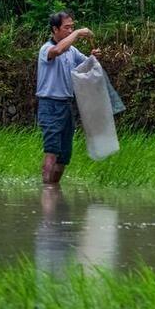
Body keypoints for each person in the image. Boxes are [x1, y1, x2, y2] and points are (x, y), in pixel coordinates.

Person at [37, 11, 100, 186]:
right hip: (50, 105)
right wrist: (78, 33)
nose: (70, 30)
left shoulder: (72, 51)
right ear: (55, 29)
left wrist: (94, 57)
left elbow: (86, 65)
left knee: (64, 155)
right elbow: (57, 50)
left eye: (72, 27)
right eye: (67, 27)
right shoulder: (46, 48)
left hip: (67, 104)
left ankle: (53, 189)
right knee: (52, 150)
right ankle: (46, 193)